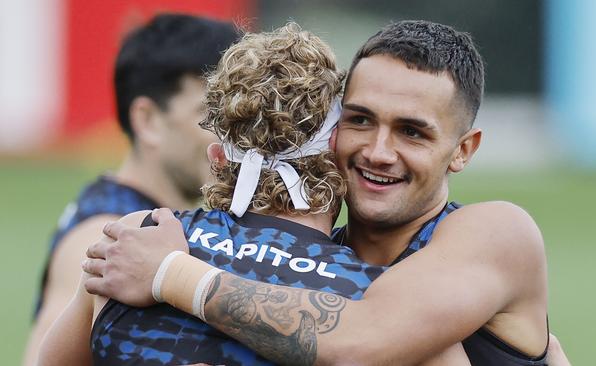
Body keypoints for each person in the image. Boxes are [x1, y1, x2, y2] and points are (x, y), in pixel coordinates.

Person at [83, 21, 566, 366]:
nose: (378, 151)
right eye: (359, 120)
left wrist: (169, 273)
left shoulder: (497, 233)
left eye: (411, 133)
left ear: (463, 150)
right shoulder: (317, 258)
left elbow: (361, 338)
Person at [22, 13, 240, 365]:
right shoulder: (107, 238)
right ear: (148, 120)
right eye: (211, 115)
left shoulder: (135, 222)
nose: (232, 136)